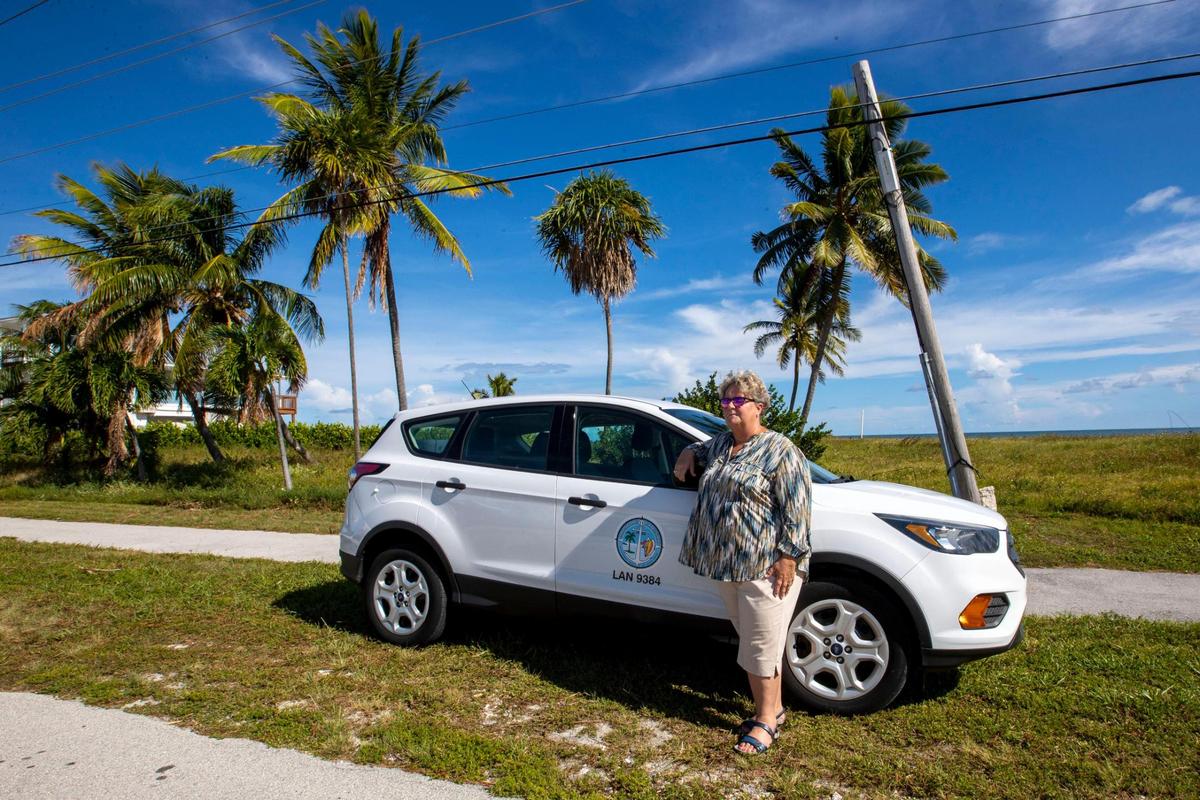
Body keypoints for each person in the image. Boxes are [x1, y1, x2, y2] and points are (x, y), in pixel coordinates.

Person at [674, 369, 812, 755]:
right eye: (726, 400)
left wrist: (788, 558)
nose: (730, 406)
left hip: (765, 565)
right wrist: (689, 452)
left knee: (759, 643)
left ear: (759, 407)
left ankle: (766, 720)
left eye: (739, 401)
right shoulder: (720, 445)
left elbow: (798, 510)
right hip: (726, 564)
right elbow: (700, 450)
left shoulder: (781, 450)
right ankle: (776, 709)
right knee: (760, 641)